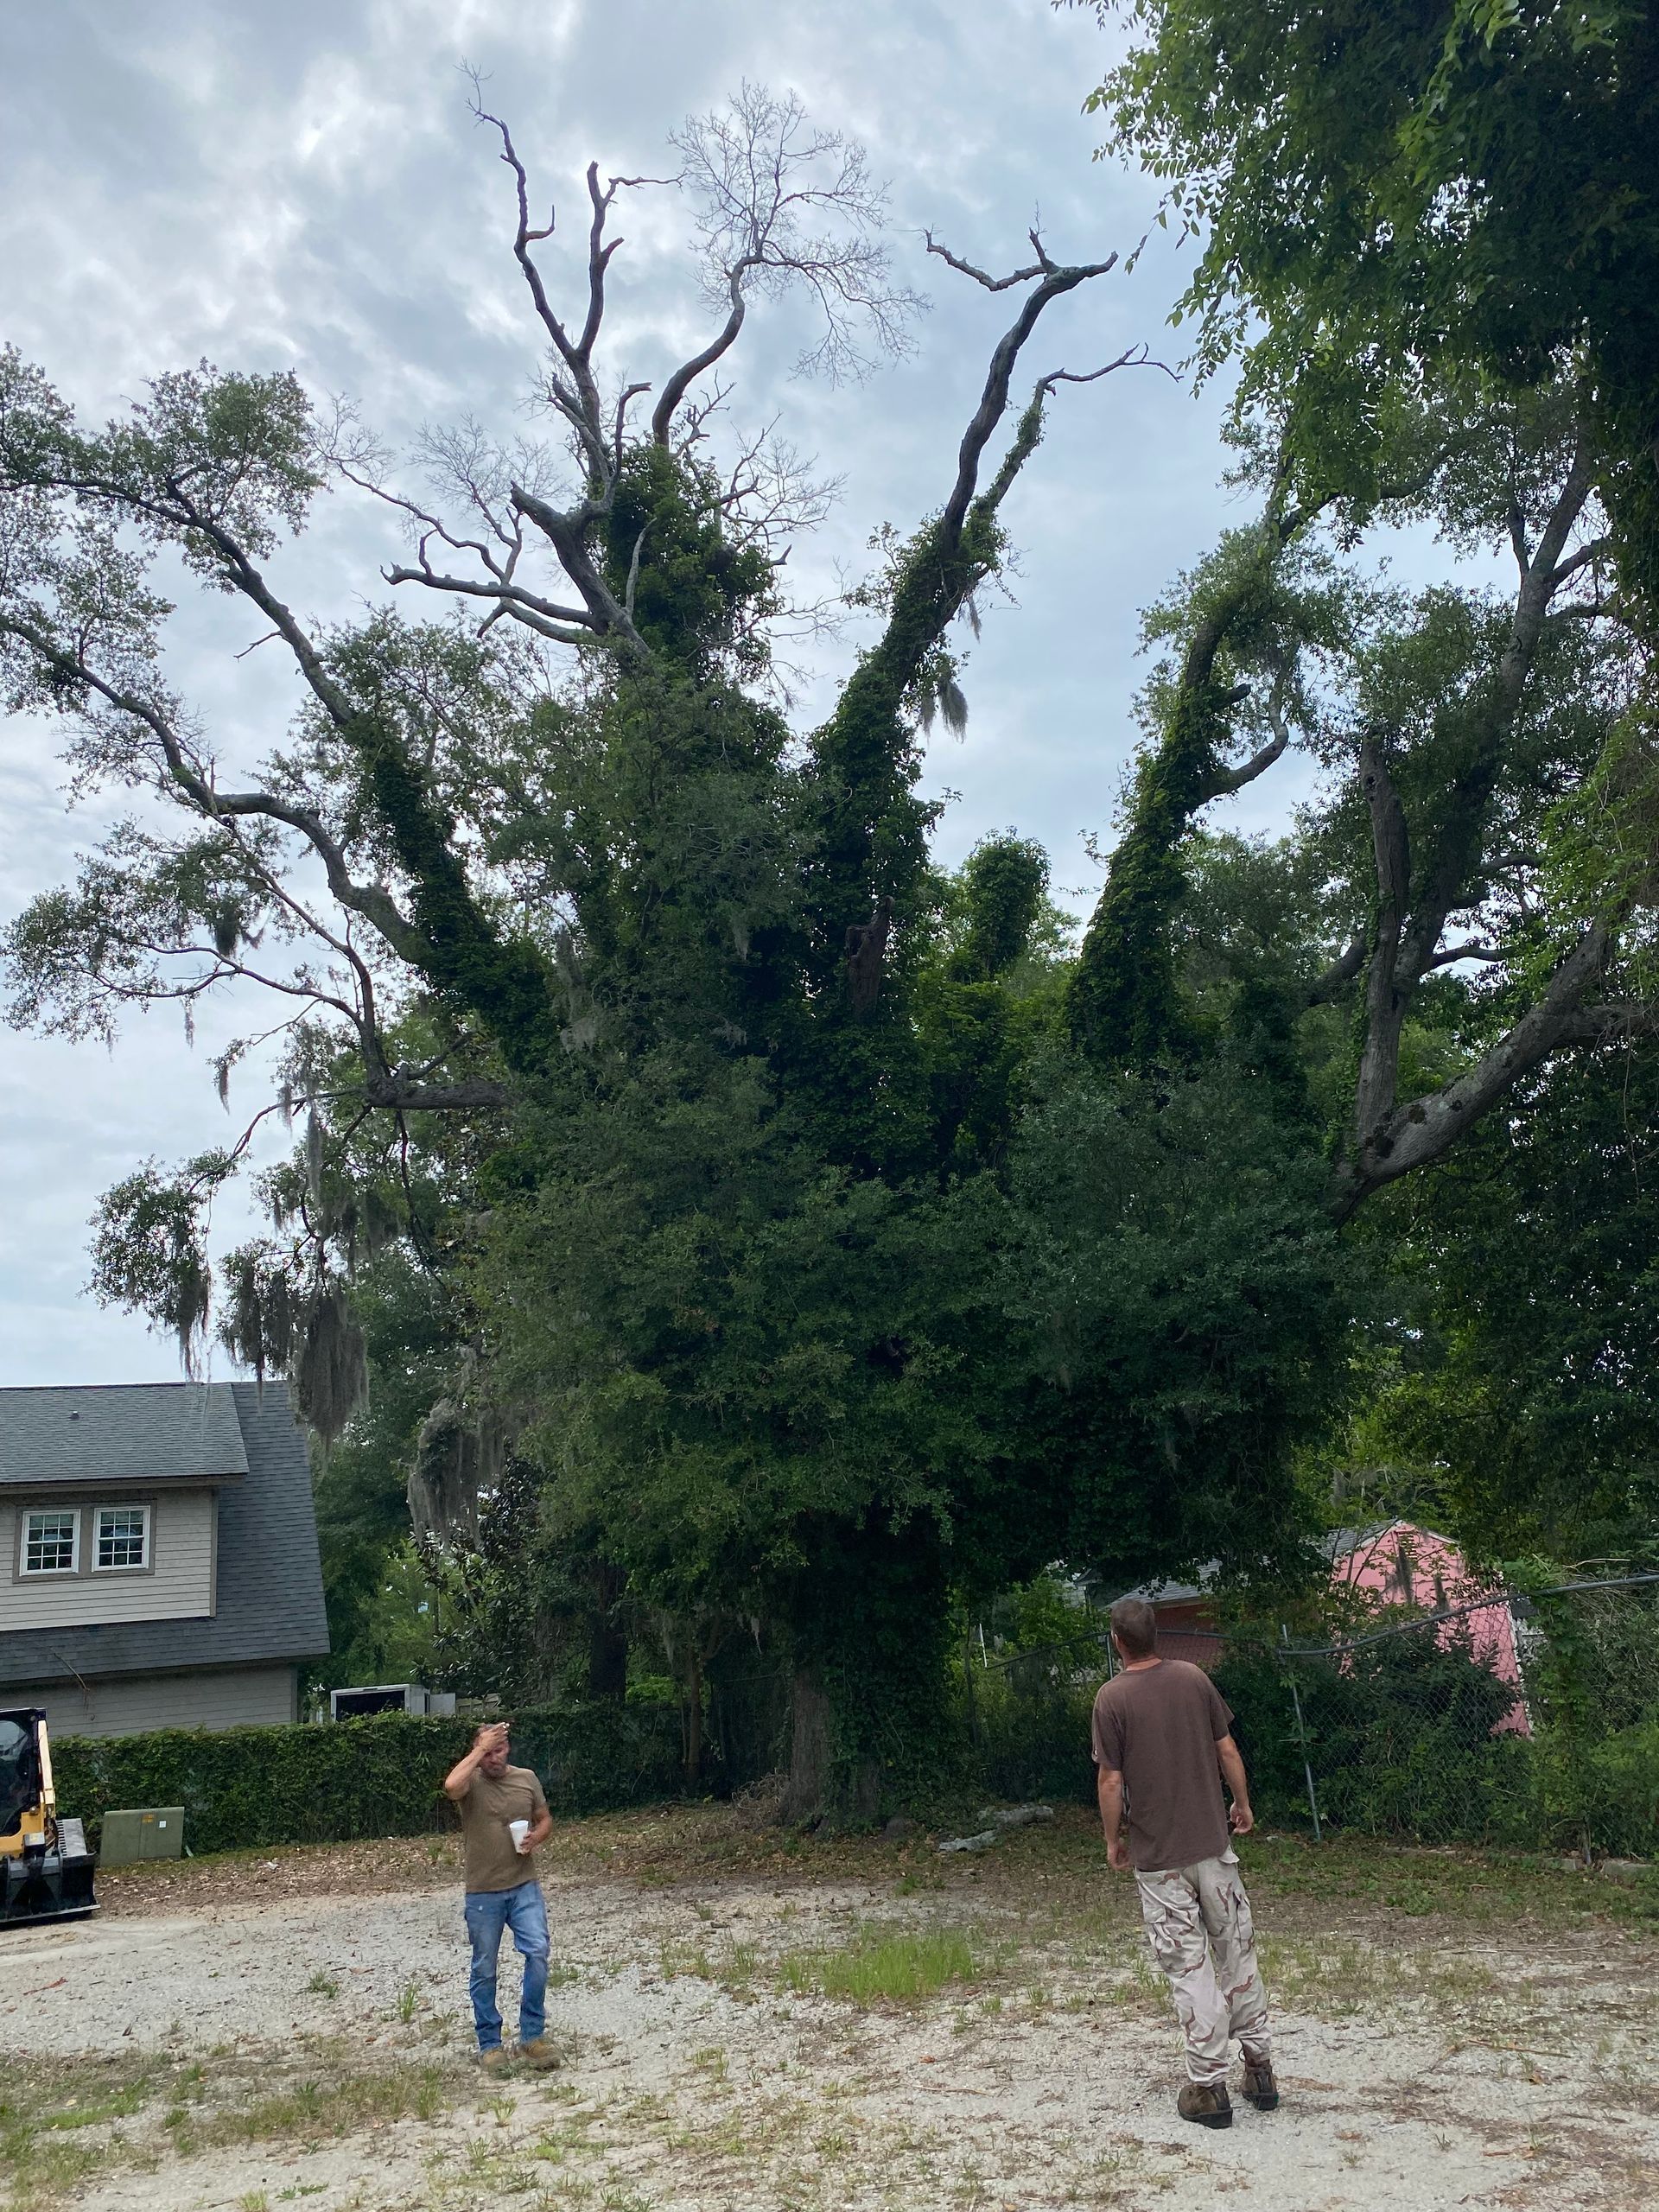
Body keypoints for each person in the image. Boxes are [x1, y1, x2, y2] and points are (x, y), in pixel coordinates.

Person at [1091, 1595, 1276, 2130]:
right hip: (1213, 1847)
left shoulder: (1111, 1698)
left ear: (1117, 1641)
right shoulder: (1194, 1679)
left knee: (1189, 1966)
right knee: (1236, 1950)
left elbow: (1110, 1780)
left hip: (1160, 1859)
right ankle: (1260, 2070)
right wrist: (1241, 1803)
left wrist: (1112, 1839)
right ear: (1156, 1634)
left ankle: (1209, 2086)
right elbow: (1227, 1749)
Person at [443, 1719, 557, 2069]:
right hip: (483, 1891)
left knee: (538, 1952)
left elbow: (544, 1818)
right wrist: (479, 1749)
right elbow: (451, 1786)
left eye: (499, 1749)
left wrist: (537, 1837)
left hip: (524, 1885)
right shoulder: (471, 1782)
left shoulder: (526, 1778)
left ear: (509, 1749)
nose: (493, 1758)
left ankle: (532, 2036)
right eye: (487, 1751)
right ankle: (489, 2044)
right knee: (485, 1967)